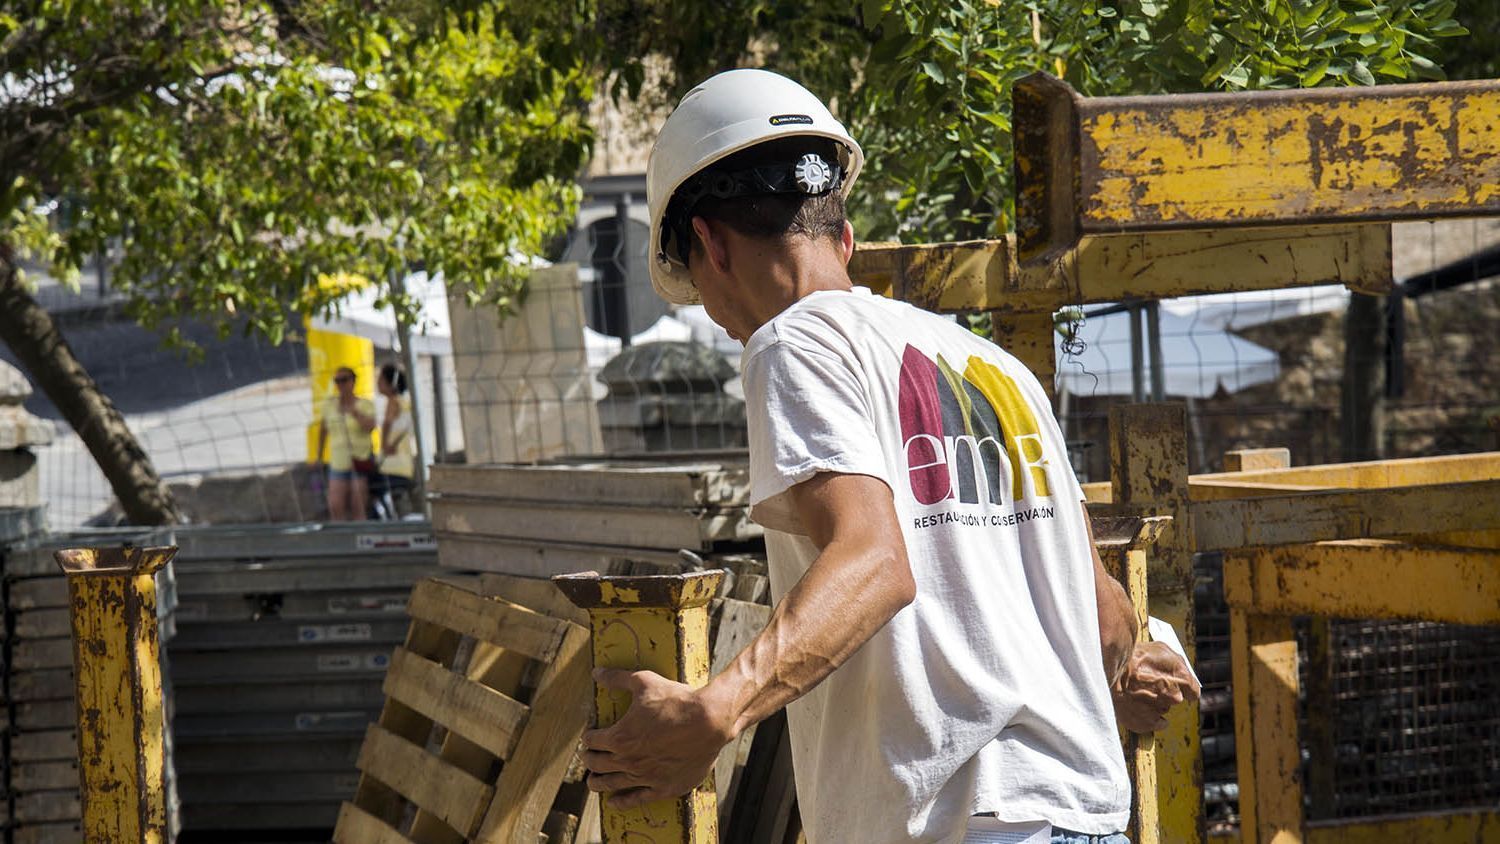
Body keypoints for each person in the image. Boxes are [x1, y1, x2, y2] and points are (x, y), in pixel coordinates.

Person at [578, 69, 1201, 844]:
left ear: (708, 243)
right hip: (1084, 813)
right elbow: (1104, 612)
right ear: (841, 236)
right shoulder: (995, 370)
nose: (715, 314)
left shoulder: (793, 344)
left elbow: (875, 564)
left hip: (959, 826)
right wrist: (1130, 668)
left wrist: (716, 710)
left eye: (697, 284)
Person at [314, 366, 377, 521]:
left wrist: (355, 412)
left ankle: (361, 539)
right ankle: (340, 540)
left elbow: (370, 427)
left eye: (344, 380)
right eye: (337, 381)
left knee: (359, 505)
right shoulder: (329, 405)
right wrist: (319, 456)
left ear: (353, 382)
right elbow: (323, 431)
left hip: (359, 460)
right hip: (338, 461)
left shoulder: (365, 404)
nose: (340, 384)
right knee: (335, 505)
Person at [373, 362, 416, 518]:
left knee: (373, 489)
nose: (377, 383)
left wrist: (384, 444)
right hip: (405, 462)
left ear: (390, 383)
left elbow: (387, 424)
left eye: (380, 379)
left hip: (392, 463)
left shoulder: (393, 402)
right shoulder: (407, 402)